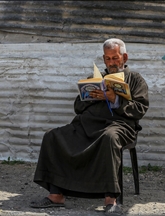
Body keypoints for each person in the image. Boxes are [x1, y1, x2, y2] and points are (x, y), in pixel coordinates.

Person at [31, 38, 149, 213]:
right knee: (52, 135)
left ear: (124, 57)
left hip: (119, 126)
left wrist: (114, 99)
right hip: (87, 124)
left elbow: (140, 109)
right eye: (108, 59)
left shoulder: (135, 79)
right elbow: (77, 108)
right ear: (103, 59)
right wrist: (91, 96)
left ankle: (111, 199)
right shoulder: (94, 79)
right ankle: (56, 195)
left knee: (109, 138)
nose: (112, 62)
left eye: (115, 58)